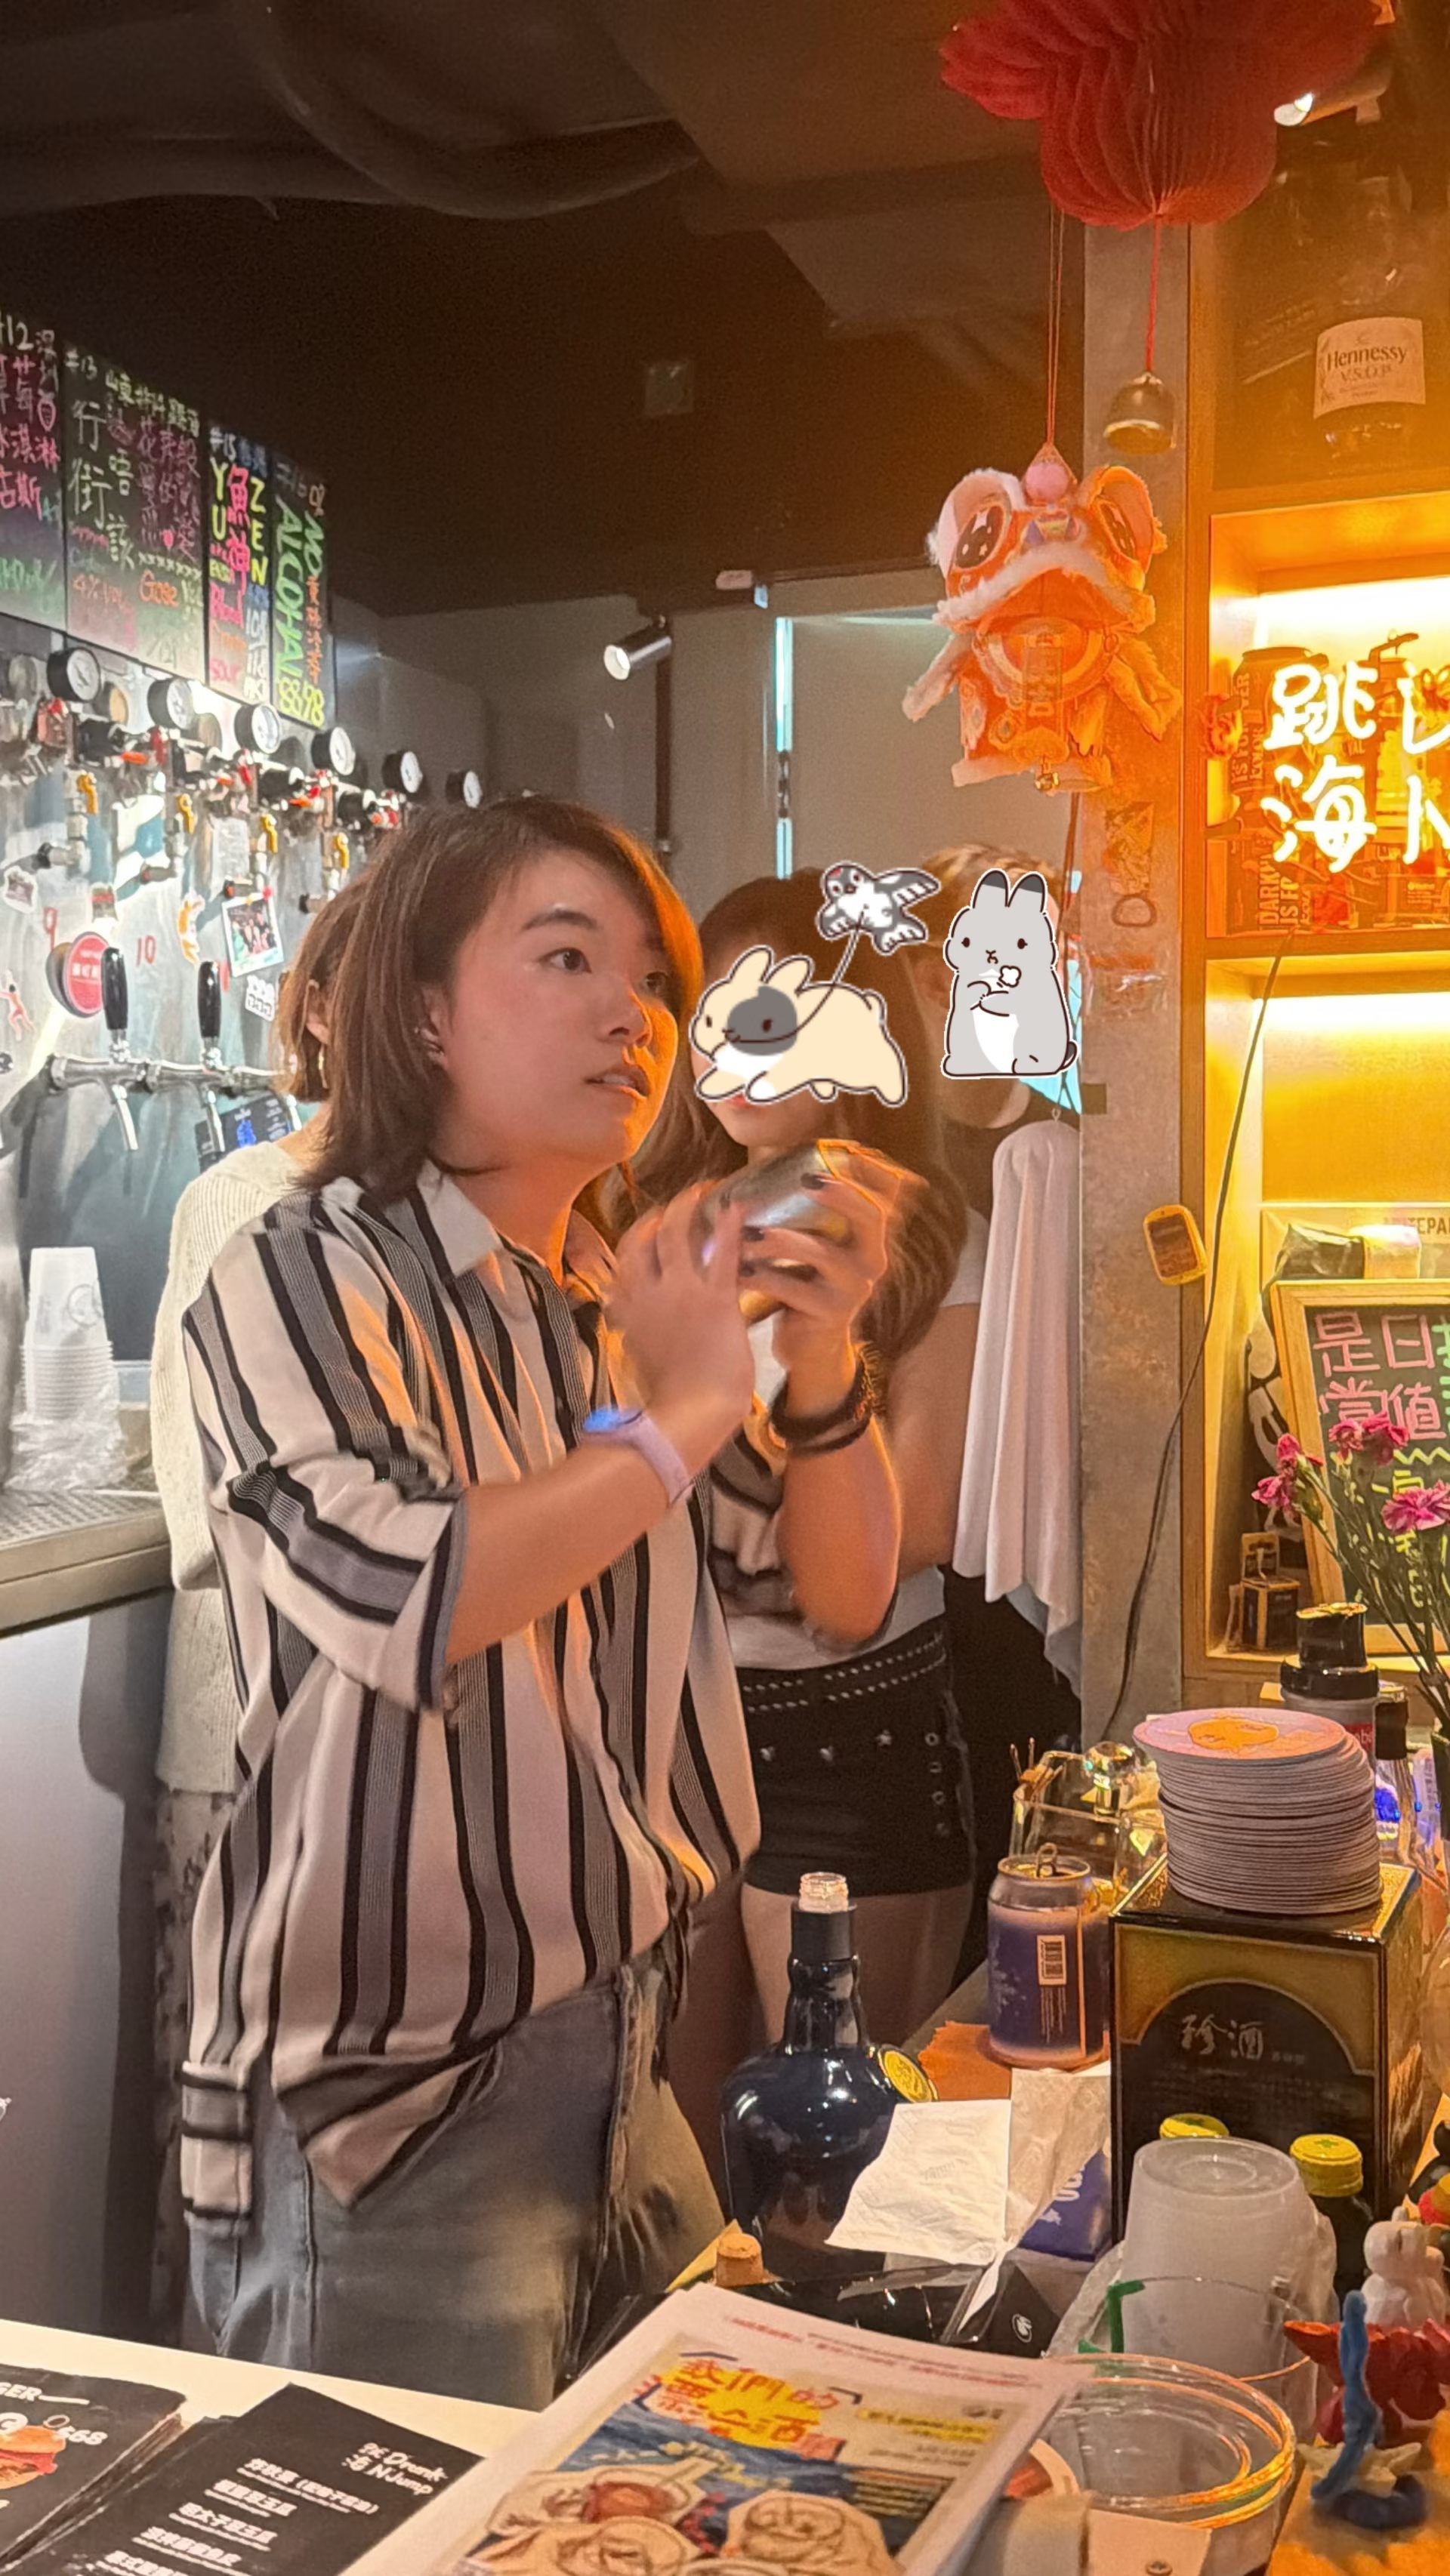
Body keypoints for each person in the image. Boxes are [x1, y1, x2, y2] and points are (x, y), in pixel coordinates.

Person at [178, 799, 902, 2408]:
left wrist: (823, 1358)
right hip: (401, 2107)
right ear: (425, 1008)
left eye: (652, 981)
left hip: (627, 2071)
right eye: (568, 958)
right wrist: (689, 1408)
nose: (632, 1015)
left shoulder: (594, 1301)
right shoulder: (302, 1267)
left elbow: (841, 1588)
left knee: (650, 2500)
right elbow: (408, 1585)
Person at [637, 871, 982, 2057]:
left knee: (839, 2141)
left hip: (853, 1736)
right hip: (672, 1732)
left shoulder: (936, 1239)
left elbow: (920, 1522)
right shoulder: (654, 1229)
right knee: (673, 2138)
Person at [148, 882, 363, 2340]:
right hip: (249, 1745)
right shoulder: (241, 1202)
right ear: (321, 1013)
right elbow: (208, 1519)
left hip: (370, 1766)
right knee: (231, 2152)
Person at [907, 845, 1082, 1967]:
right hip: (911, 1583)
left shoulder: (1071, 1149)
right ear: (930, 976)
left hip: (1038, 1556)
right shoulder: (882, 1153)